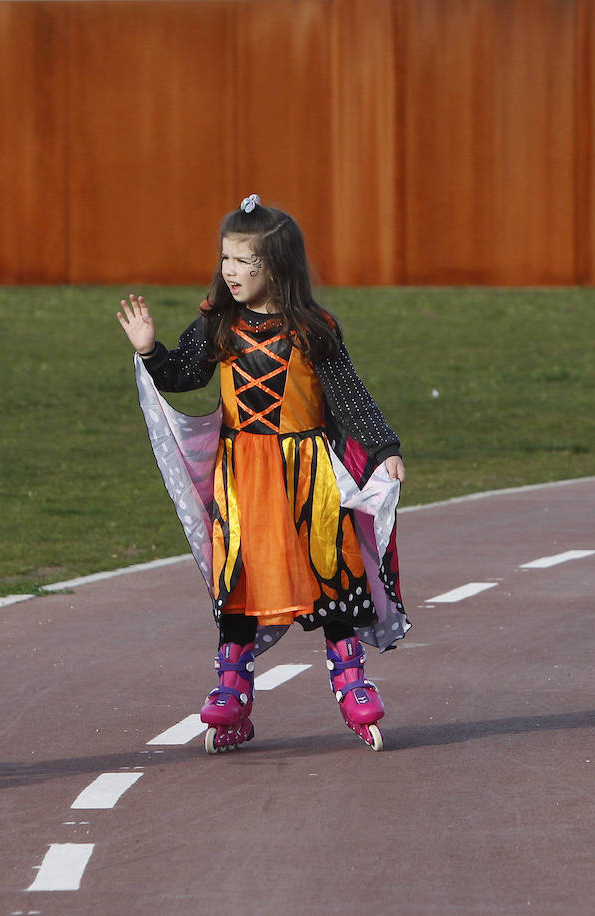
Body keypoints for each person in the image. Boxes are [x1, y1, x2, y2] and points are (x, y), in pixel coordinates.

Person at [116, 194, 410, 752]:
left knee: (330, 572)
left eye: (241, 261)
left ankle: (351, 681)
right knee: (240, 580)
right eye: (225, 258)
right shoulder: (218, 325)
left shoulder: (314, 328)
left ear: (274, 266)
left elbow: (349, 396)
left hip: (308, 476)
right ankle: (232, 689)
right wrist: (151, 350)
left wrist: (382, 447)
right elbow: (181, 374)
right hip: (242, 478)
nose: (229, 271)